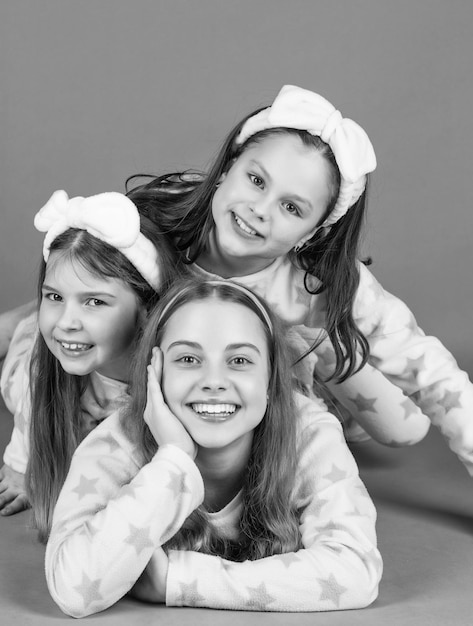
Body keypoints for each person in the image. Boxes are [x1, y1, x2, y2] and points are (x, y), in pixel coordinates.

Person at [3, 84, 470, 470]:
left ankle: (318, 353)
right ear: (227, 169)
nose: (258, 211)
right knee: (58, 334)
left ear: (314, 231)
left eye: (291, 208)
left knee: (407, 427)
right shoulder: (165, 224)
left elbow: (432, 372)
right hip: (161, 367)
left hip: (278, 377)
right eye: (256, 180)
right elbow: (84, 277)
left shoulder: (318, 281)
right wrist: (23, 464)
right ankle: (22, 320)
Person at [45, 278, 382, 617]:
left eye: (239, 361)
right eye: (189, 359)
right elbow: (74, 589)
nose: (214, 381)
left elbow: (355, 569)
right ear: (155, 372)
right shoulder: (113, 444)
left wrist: (179, 581)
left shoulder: (310, 432)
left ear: (270, 379)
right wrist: (172, 461)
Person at [0, 189, 184, 527]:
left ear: (147, 308)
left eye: (94, 302)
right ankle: (19, 323)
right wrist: (19, 466)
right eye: (54, 295)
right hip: (32, 350)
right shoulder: (38, 369)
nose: (67, 321)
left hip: (77, 352)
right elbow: (31, 416)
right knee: (19, 356)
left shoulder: (174, 373)